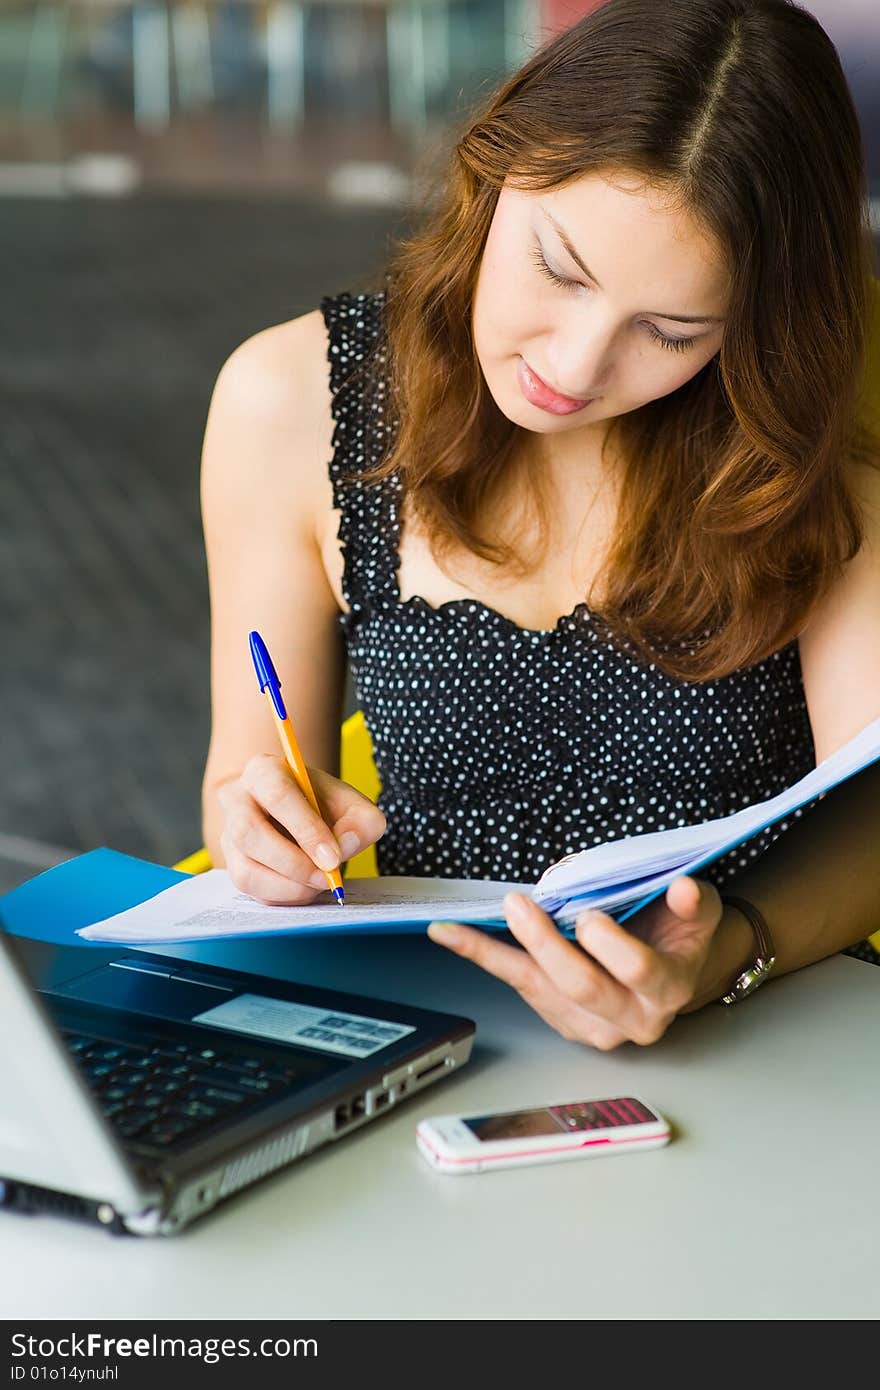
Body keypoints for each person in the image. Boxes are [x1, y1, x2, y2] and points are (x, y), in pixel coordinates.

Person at [200, 0, 880, 1051]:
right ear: (496, 166)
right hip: (425, 1044)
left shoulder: (809, 450)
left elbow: (872, 817)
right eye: (558, 269)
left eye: (669, 331)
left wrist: (728, 947)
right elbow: (246, 769)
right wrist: (262, 829)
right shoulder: (287, 403)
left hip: (762, 1043)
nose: (572, 367)